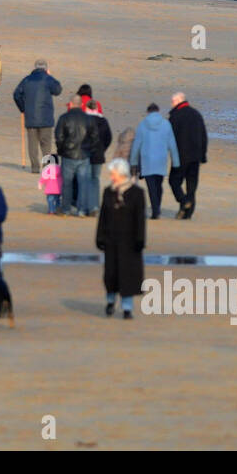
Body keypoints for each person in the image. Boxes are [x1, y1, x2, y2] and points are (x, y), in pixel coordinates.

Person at [95, 158, 146, 319]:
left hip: (130, 243)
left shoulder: (137, 193)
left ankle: (127, 308)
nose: (111, 177)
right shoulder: (108, 191)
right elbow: (103, 216)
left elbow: (140, 219)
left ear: (122, 174)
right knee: (110, 274)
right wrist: (100, 237)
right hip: (111, 240)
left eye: (113, 174)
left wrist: (140, 240)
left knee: (128, 276)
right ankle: (110, 302)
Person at [131, 103, 180, 220]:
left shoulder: (143, 124)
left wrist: (133, 162)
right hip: (161, 160)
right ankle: (156, 208)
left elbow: (136, 145)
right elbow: (172, 144)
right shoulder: (166, 124)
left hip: (147, 160)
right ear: (158, 111)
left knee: (151, 187)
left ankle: (155, 210)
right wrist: (176, 162)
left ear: (148, 112)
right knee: (158, 185)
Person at [13, 59, 62, 172]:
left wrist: (23, 108)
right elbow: (58, 90)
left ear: (35, 68)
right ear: (45, 68)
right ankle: (46, 167)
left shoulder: (27, 79)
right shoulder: (48, 79)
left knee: (32, 143)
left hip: (30, 117)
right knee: (46, 144)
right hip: (46, 118)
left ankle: (35, 167)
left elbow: (16, 94)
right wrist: (50, 75)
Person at [54, 94, 98, 216]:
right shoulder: (88, 119)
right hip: (83, 155)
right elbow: (94, 137)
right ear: (82, 105)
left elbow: (59, 137)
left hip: (68, 155)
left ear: (71, 104)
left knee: (67, 183)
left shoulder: (64, 118)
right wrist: (89, 150)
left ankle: (66, 209)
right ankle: (81, 210)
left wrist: (61, 150)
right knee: (83, 183)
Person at [167, 91, 208, 219]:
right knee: (191, 186)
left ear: (179, 101)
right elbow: (204, 136)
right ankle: (187, 213)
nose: (171, 104)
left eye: (173, 101)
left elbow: (169, 137)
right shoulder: (196, 114)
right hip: (195, 156)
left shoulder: (175, 116)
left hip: (180, 156)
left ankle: (184, 202)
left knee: (174, 181)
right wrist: (202, 155)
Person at [78, 88, 112, 215]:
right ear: (97, 109)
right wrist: (102, 149)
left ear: (87, 108)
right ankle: (94, 207)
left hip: (85, 154)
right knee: (95, 180)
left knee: (85, 180)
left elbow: (79, 137)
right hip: (98, 154)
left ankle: (83, 208)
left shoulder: (83, 121)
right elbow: (109, 138)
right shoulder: (103, 121)